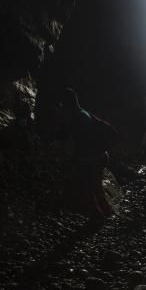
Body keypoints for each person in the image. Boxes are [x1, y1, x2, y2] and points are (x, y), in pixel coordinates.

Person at [61, 88, 117, 220]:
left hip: (91, 158)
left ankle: (97, 217)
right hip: (101, 154)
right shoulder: (84, 113)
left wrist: (76, 158)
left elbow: (81, 141)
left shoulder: (77, 118)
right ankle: (107, 211)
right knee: (96, 185)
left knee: (87, 188)